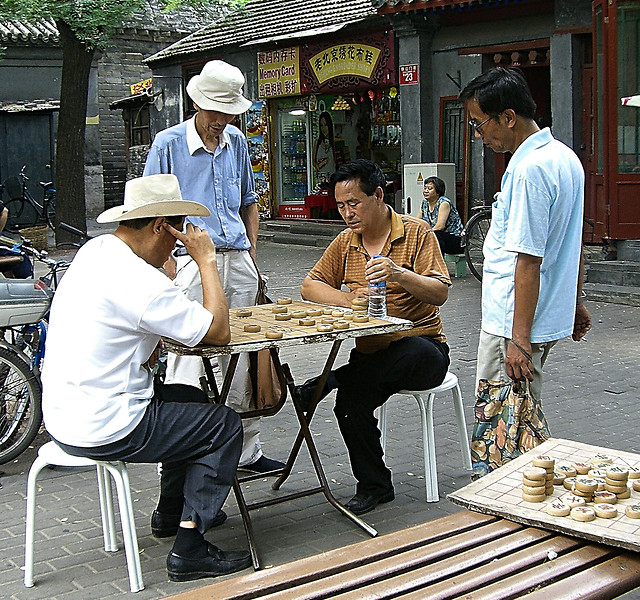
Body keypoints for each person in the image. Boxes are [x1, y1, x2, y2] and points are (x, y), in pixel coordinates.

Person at [41, 174, 252, 581]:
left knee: (187, 398)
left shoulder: (95, 251)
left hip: (64, 417)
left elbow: (151, 341)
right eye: (175, 238)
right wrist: (206, 261)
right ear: (160, 226)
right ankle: (190, 548)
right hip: (108, 423)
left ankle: (171, 511)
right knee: (224, 426)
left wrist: (168, 282)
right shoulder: (140, 281)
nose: (177, 247)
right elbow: (218, 332)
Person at [144, 60, 283, 474]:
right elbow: (152, 214)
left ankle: (247, 451)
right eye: (215, 112)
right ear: (197, 105)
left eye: (228, 114)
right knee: (188, 353)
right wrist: (167, 263)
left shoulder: (237, 141)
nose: (221, 121)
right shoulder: (167, 144)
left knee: (242, 353)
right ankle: (182, 457)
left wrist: (251, 255)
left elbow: (248, 201)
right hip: (189, 262)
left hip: (236, 257)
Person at [292, 159, 451, 515]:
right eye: (341, 206)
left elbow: (440, 292)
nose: (347, 213)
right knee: (349, 406)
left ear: (378, 196)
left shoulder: (416, 232)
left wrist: (399, 274)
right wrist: (348, 299)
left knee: (412, 350)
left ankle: (331, 378)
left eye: (354, 204)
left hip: (423, 348)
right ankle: (375, 485)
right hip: (371, 357)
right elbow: (309, 286)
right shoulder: (346, 242)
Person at [459, 66, 592, 403]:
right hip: (539, 315)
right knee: (521, 419)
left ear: (507, 117)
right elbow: (570, 242)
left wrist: (518, 338)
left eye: (479, 123)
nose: (478, 135)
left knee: (500, 429)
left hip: (512, 324)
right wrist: (574, 301)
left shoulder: (530, 170)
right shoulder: (564, 157)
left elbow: (528, 259)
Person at [421, 176, 463, 255]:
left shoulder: (444, 203)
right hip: (436, 237)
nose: (426, 191)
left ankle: (437, 265)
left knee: (435, 235)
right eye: (425, 188)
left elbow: (440, 226)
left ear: (438, 191)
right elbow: (417, 221)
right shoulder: (424, 204)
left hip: (455, 240)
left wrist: (424, 234)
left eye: (429, 188)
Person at [312, 111, 336, 177]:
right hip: (320, 177)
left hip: (332, 177)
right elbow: (313, 161)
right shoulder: (317, 143)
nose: (324, 128)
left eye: (326, 125)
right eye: (321, 125)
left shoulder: (334, 143)